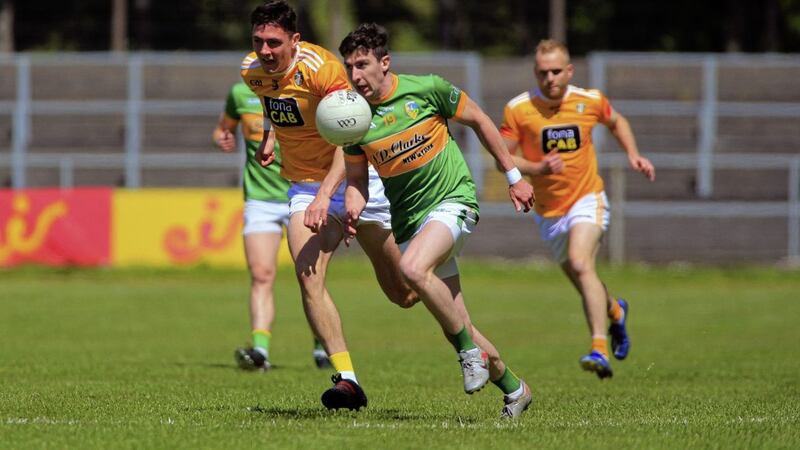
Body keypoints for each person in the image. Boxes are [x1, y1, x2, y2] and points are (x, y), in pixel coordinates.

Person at [339, 23, 535, 418]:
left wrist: (513, 176)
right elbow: (358, 180)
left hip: (453, 201)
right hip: (411, 224)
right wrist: (352, 206)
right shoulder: (354, 119)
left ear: (385, 62)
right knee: (457, 323)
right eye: (349, 68)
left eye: (362, 65)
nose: (355, 75)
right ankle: (515, 389)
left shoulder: (426, 89)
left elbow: (479, 119)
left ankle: (468, 352)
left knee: (413, 269)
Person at [240, 1, 417, 411]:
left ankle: (444, 299)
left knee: (404, 293)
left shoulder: (323, 70)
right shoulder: (251, 71)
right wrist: (270, 135)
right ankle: (347, 380)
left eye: (274, 43)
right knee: (308, 275)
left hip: (355, 180)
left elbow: (349, 137)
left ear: (295, 40)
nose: (265, 51)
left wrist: (327, 196)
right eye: (258, 42)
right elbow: (272, 97)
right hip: (303, 186)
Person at [499, 39, 656, 379]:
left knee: (582, 262)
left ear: (569, 71)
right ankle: (615, 310)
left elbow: (618, 122)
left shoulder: (591, 100)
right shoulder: (519, 109)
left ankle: (599, 348)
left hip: (588, 198)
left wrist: (633, 154)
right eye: (543, 72)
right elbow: (503, 155)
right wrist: (536, 168)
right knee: (582, 276)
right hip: (548, 211)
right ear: (535, 73)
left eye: (557, 71)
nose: (550, 78)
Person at [212, 81, 331, 371]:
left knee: (311, 276)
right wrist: (222, 136)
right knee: (262, 274)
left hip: (303, 193)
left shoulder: (305, 91)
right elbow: (222, 127)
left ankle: (323, 345)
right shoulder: (239, 93)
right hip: (261, 199)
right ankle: (260, 352)